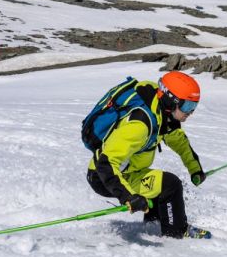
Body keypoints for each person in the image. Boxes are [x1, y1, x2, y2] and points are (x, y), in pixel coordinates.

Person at [85, 71, 208, 238]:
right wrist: (128, 196)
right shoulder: (140, 125)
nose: (190, 112)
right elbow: (105, 163)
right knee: (170, 185)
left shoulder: (163, 115)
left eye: (194, 107)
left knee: (159, 185)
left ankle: (154, 227)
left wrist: (195, 169)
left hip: (127, 172)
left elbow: (179, 141)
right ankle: (177, 234)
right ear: (172, 100)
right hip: (104, 177)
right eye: (187, 106)